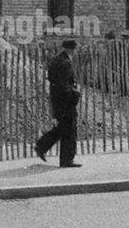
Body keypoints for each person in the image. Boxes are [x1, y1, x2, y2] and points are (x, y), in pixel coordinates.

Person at [35, 39, 82, 168]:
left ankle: (42, 146)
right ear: (70, 49)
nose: (75, 51)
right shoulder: (66, 63)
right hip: (65, 101)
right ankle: (66, 160)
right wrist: (74, 96)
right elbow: (64, 85)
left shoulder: (55, 60)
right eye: (75, 49)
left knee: (62, 128)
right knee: (69, 130)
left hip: (56, 99)